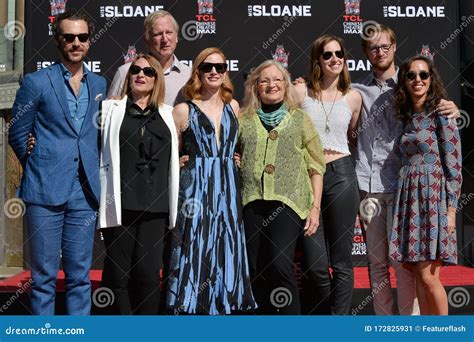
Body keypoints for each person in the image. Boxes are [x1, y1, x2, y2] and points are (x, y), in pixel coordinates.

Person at [352, 23, 460, 315]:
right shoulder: (355, 89)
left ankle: (411, 326)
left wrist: (453, 109)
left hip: (406, 191)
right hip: (369, 184)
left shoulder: (412, 85)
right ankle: (386, 326)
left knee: (406, 264)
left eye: (385, 46)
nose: (380, 51)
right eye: (373, 47)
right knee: (376, 264)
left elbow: (451, 154)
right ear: (366, 52)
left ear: (394, 48)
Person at [8, 9, 106, 315]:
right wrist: (38, 160)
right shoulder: (36, 82)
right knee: (44, 278)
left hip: (85, 191)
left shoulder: (100, 83)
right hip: (44, 189)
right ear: (58, 39)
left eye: (82, 37)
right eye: (69, 37)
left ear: (89, 41)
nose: (76, 43)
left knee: (79, 277)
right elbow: (18, 133)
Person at [167, 47, 256, 315]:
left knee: (227, 239)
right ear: (198, 72)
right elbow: (172, 153)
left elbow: (235, 145)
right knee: (194, 242)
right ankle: (191, 304)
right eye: (208, 67)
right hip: (196, 186)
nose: (214, 72)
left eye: (220, 67)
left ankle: (227, 301)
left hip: (228, 183)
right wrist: (180, 162)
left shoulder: (234, 106)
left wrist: (234, 159)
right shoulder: (183, 110)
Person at [239, 60, 326, 315]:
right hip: (252, 202)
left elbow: (316, 166)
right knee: (254, 267)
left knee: (279, 264)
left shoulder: (299, 119)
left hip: (287, 203)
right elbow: (231, 153)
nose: (271, 85)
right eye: (264, 80)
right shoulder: (244, 120)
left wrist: (315, 208)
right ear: (256, 86)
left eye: (277, 79)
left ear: (285, 85)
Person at [97, 54, 179, 314]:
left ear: (157, 80)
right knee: (118, 277)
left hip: (156, 206)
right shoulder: (109, 109)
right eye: (135, 70)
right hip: (120, 203)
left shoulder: (170, 114)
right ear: (128, 75)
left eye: (148, 71)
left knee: (147, 275)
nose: (141, 75)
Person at [294, 35, 361, 315]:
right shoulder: (300, 93)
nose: (335, 59)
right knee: (316, 264)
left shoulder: (354, 97)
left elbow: (353, 136)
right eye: (327, 54)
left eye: (339, 54)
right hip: (308, 175)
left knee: (343, 262)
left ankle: (338, 327)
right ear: (317, 60)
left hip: (342, 174)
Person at [389, 55, 462, 315]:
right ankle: (424, 332)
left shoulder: (442, 113)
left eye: (423, 75)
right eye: (411, 75)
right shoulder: (407, 116)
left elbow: (454, 167)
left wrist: (451, 212)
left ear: (431, 80)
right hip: (410, 199)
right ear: (404, 81)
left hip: (434, 200)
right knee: (419, 274)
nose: (417, 80)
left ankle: (444, 330)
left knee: (430, 275)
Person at [107, 10, 191, 106]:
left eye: (169, 32)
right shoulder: (126, 72)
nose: (165, 39)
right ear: (146, 40)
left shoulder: (190, 76)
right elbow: (110, 114)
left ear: (176, 37)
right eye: (158, 34)